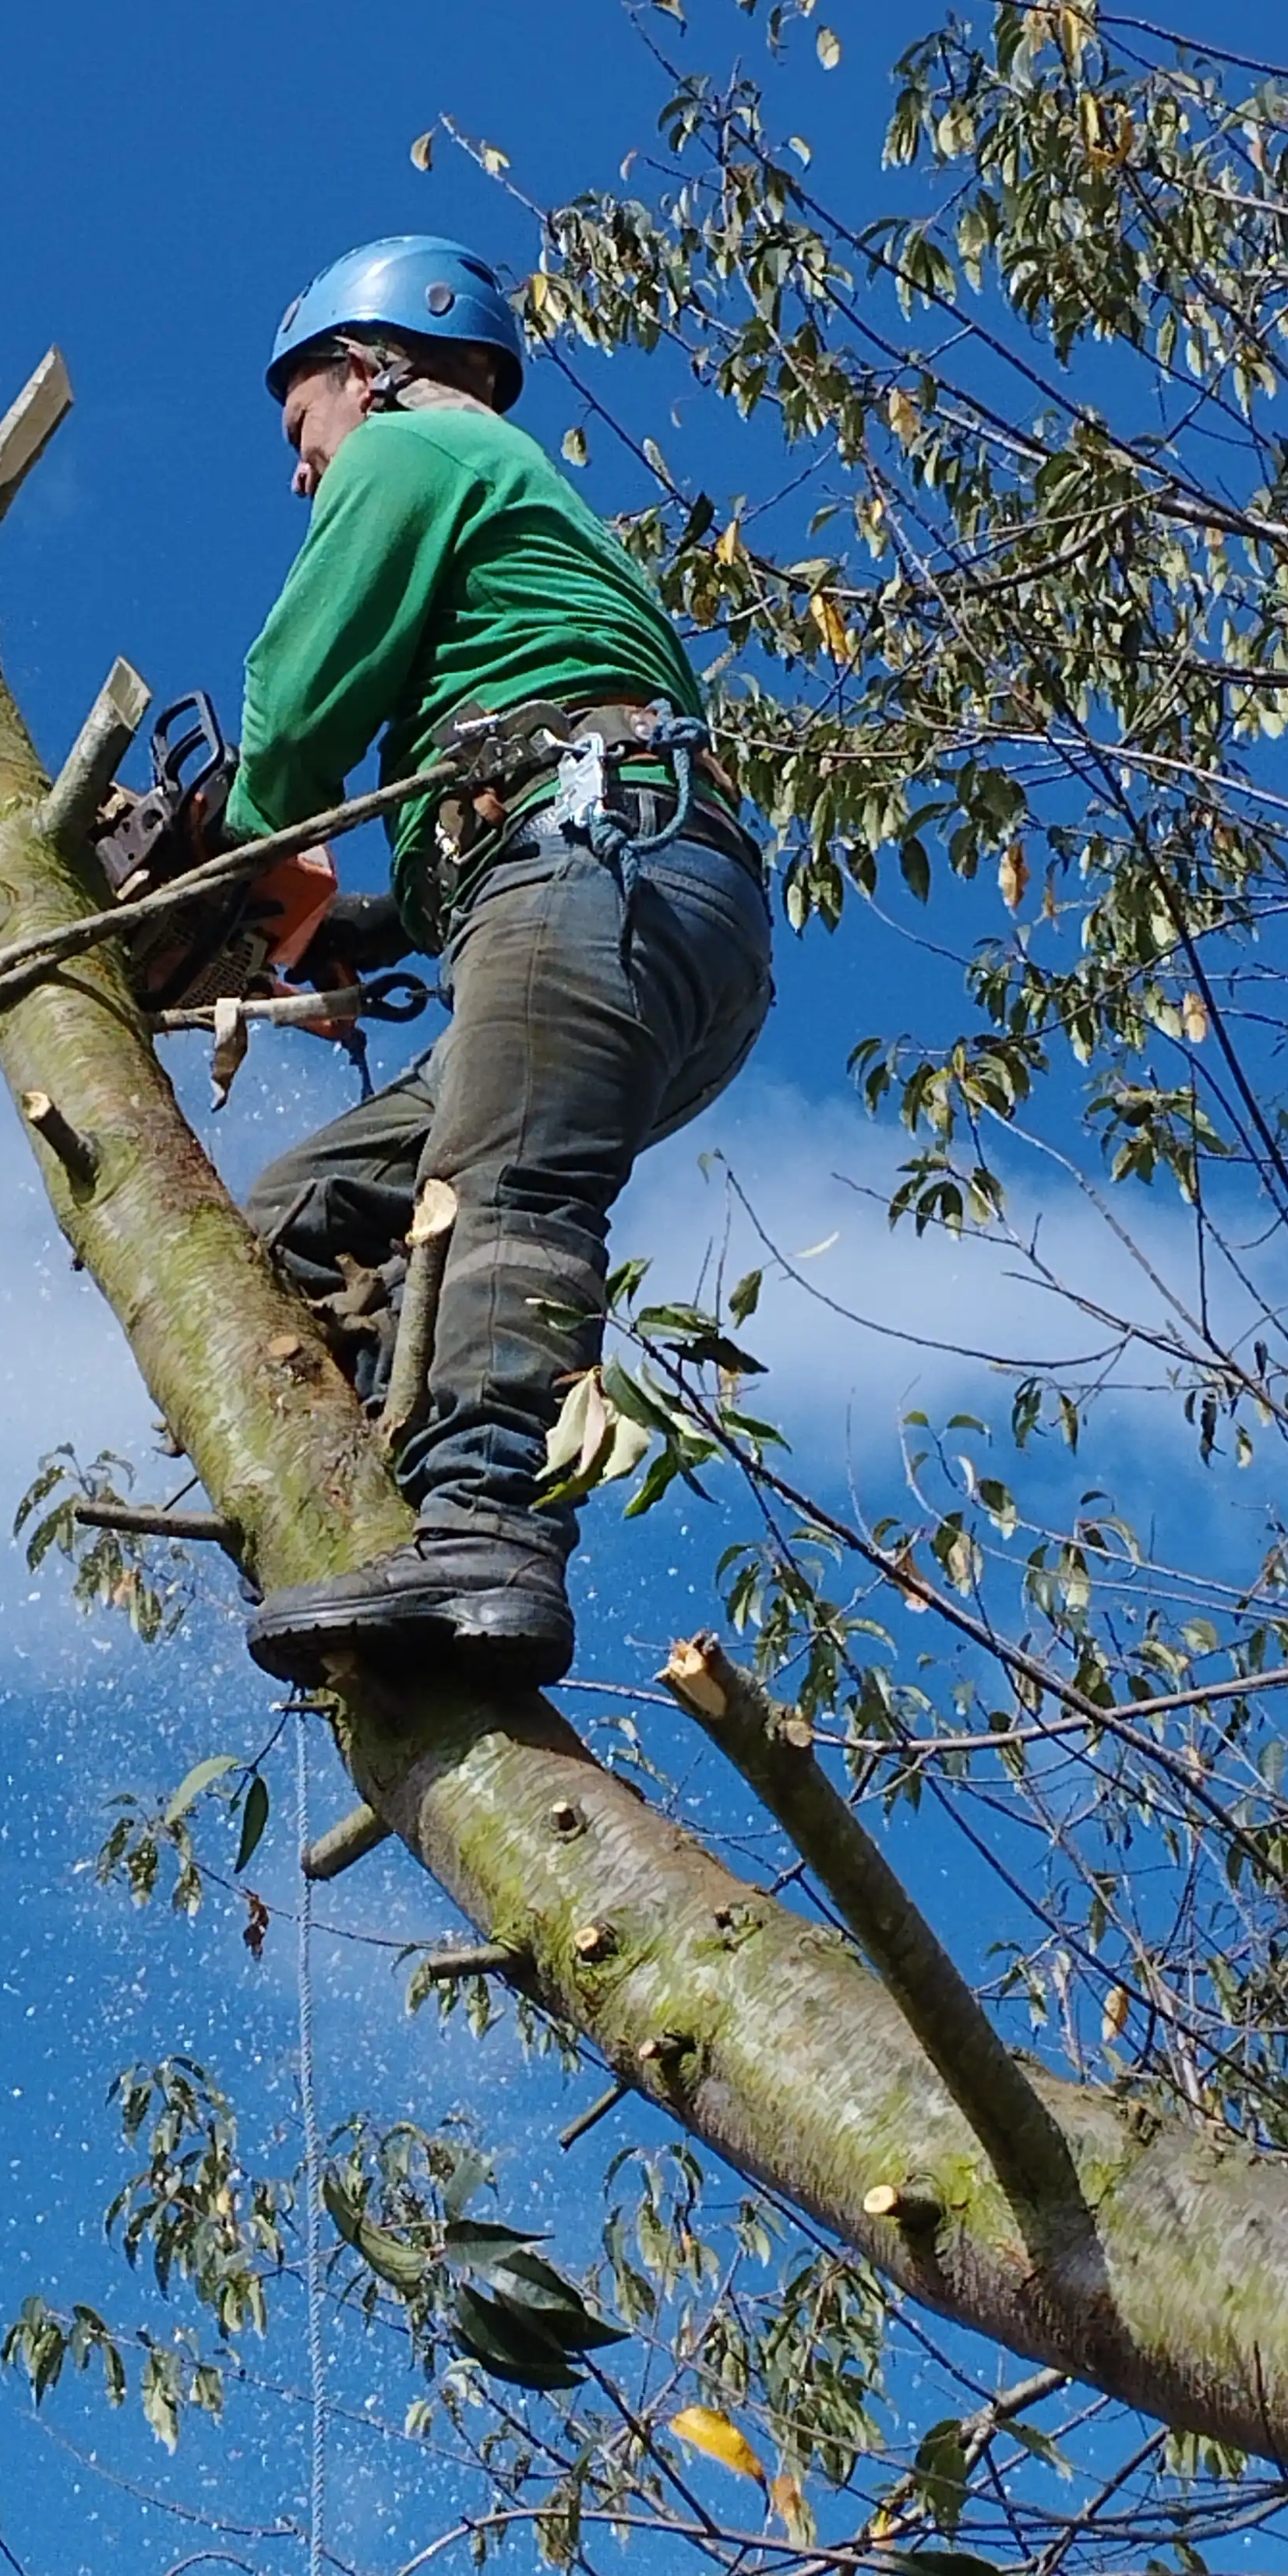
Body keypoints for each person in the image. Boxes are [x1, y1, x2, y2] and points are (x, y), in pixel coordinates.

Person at [224, 232, 774, 1689]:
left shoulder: (412, 447)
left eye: (301, 426)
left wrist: (226, 876)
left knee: (507, 1189)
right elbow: (493, 769)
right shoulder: (523, 533)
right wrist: (355, 922)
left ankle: (481, 1536)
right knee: (309, 1216)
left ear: (366, 367)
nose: (302, 468)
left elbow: (291, 717)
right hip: (630, 901)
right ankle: (379, 1502)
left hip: (599, 874)